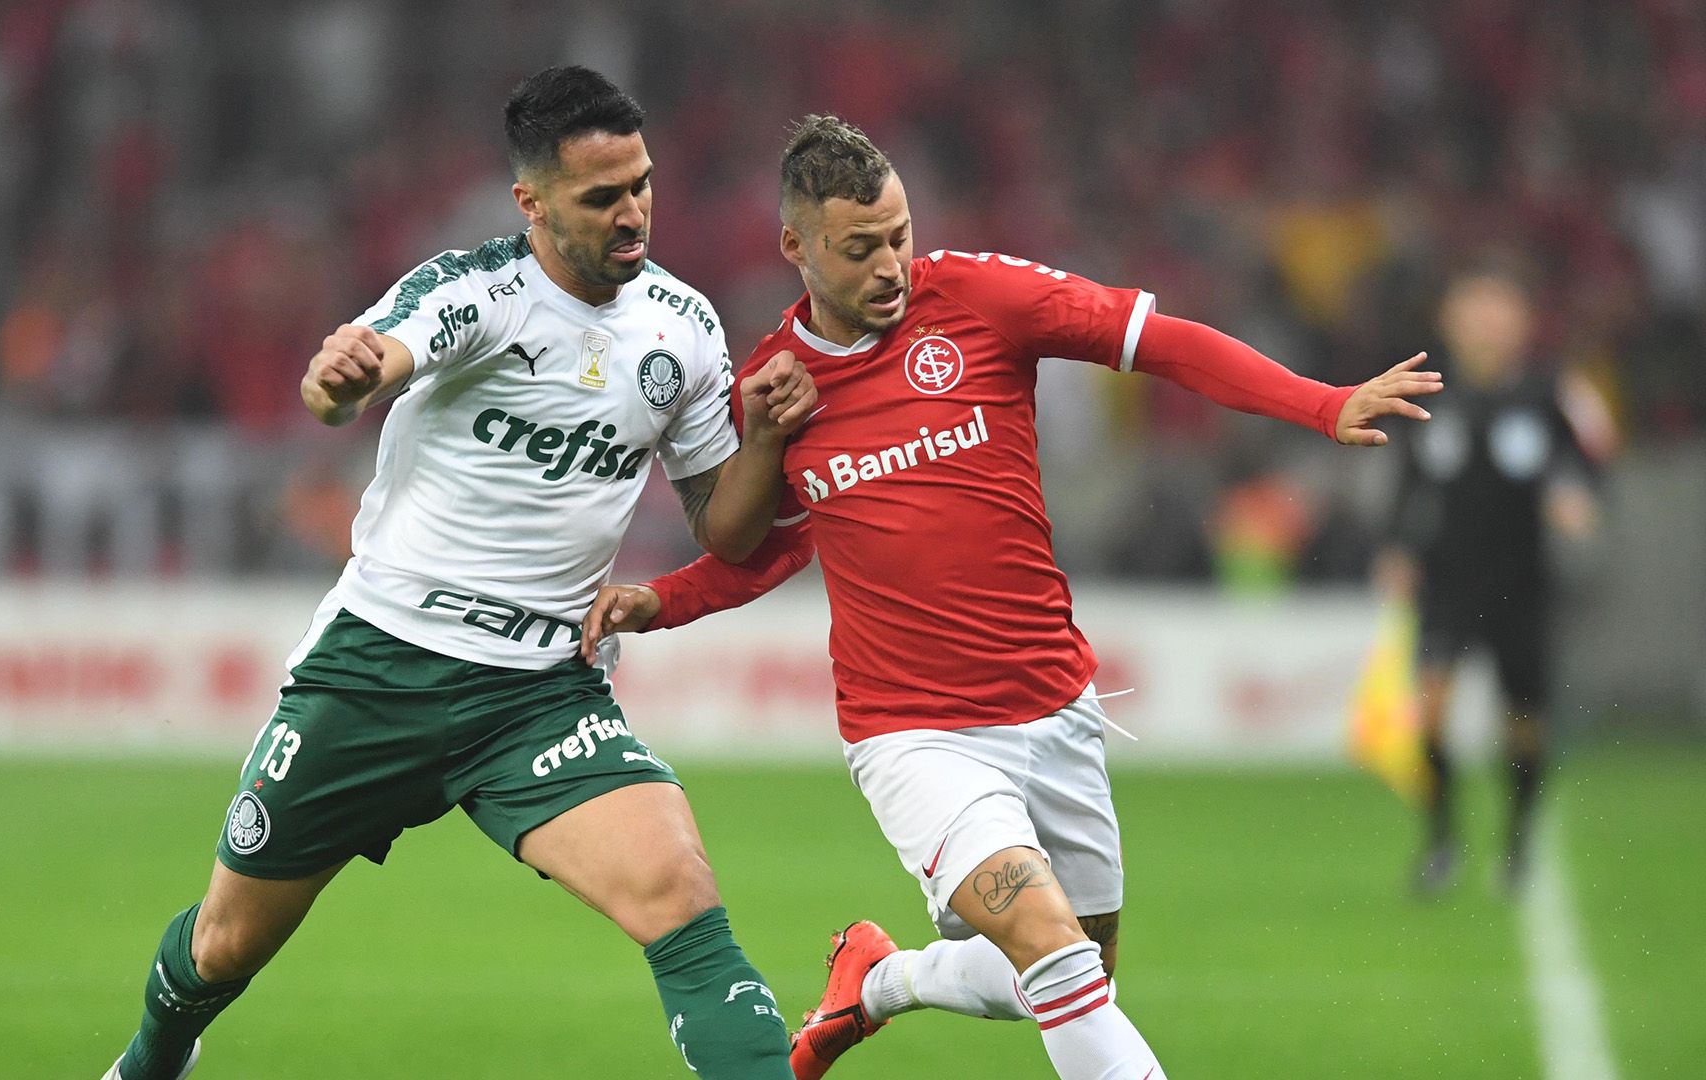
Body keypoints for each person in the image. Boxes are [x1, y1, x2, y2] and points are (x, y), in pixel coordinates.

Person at [580, 115, 1442, 1080]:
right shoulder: (783, 385)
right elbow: (758, 548)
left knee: (1071, 971)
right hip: (916, 736)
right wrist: (668, 592)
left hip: (1053, 704)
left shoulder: (983, 299)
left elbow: (1158, 342)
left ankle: (882, 980)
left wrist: (1319, 403)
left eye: (898, 236)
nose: (889, 266)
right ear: (797, 247)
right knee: (1054, 951)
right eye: (859, 249)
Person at [100, 66, 817, 1080]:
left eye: (642, 184)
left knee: (680, 895)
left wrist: (771, 444)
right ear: (530, 202)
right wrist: (340, 377)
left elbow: (727, 530)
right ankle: (149, 1061)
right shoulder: (474, 292)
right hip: (376, 668)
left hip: (538, 690)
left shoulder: (686, 328)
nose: (633, 214)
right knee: (224, 945)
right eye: (601, 196)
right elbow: (369, 365)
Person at [1375, 265, 1608, 896]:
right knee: (1429, 715)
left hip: (1522, 585)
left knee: (1523, 724)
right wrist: (1396, 546)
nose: (1486, 321)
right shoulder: (1427, 391)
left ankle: (1518, 844)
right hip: (1447, 582)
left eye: (1499, 308)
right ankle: (1442, 842)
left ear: (1523, 321)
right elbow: (1408, 480)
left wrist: (1576, 497)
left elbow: (1588, 462)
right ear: (1449, 317)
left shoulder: (1552, 390)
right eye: (1474, 307)